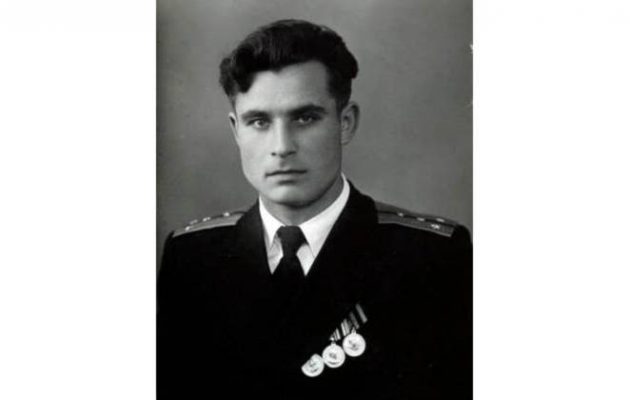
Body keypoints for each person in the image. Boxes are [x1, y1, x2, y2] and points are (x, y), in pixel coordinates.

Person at [158, 19, 471, 400]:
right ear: (236, 130)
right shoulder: (192, 258)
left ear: (345, 123)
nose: (282, 147)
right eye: (259, 122)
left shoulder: (430, 258)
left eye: (305, 118)